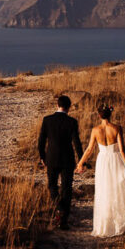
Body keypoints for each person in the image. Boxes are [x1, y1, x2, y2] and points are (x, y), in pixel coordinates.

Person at [75, 102, 125, 237]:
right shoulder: (117, 128)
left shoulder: (95, 130)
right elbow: (122, 149)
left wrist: (80, 163)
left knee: (104, 190)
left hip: (102, 161)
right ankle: (117, 222)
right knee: (116, 189)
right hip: (115, 159)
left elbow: (89, 149)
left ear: (99, 115)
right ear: (111, 113)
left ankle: (105, 224)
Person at [36, 93, 83, 229]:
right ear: (69, 107)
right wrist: (81, 160)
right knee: (67, 188)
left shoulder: (47, 120)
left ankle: (58, 206)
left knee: (52, 185)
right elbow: (77, 143)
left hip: (51, 158)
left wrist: (42, 157)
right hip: (68, 159)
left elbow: (41, 141)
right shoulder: (72, 122)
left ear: (57, 105)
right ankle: (63, 221)